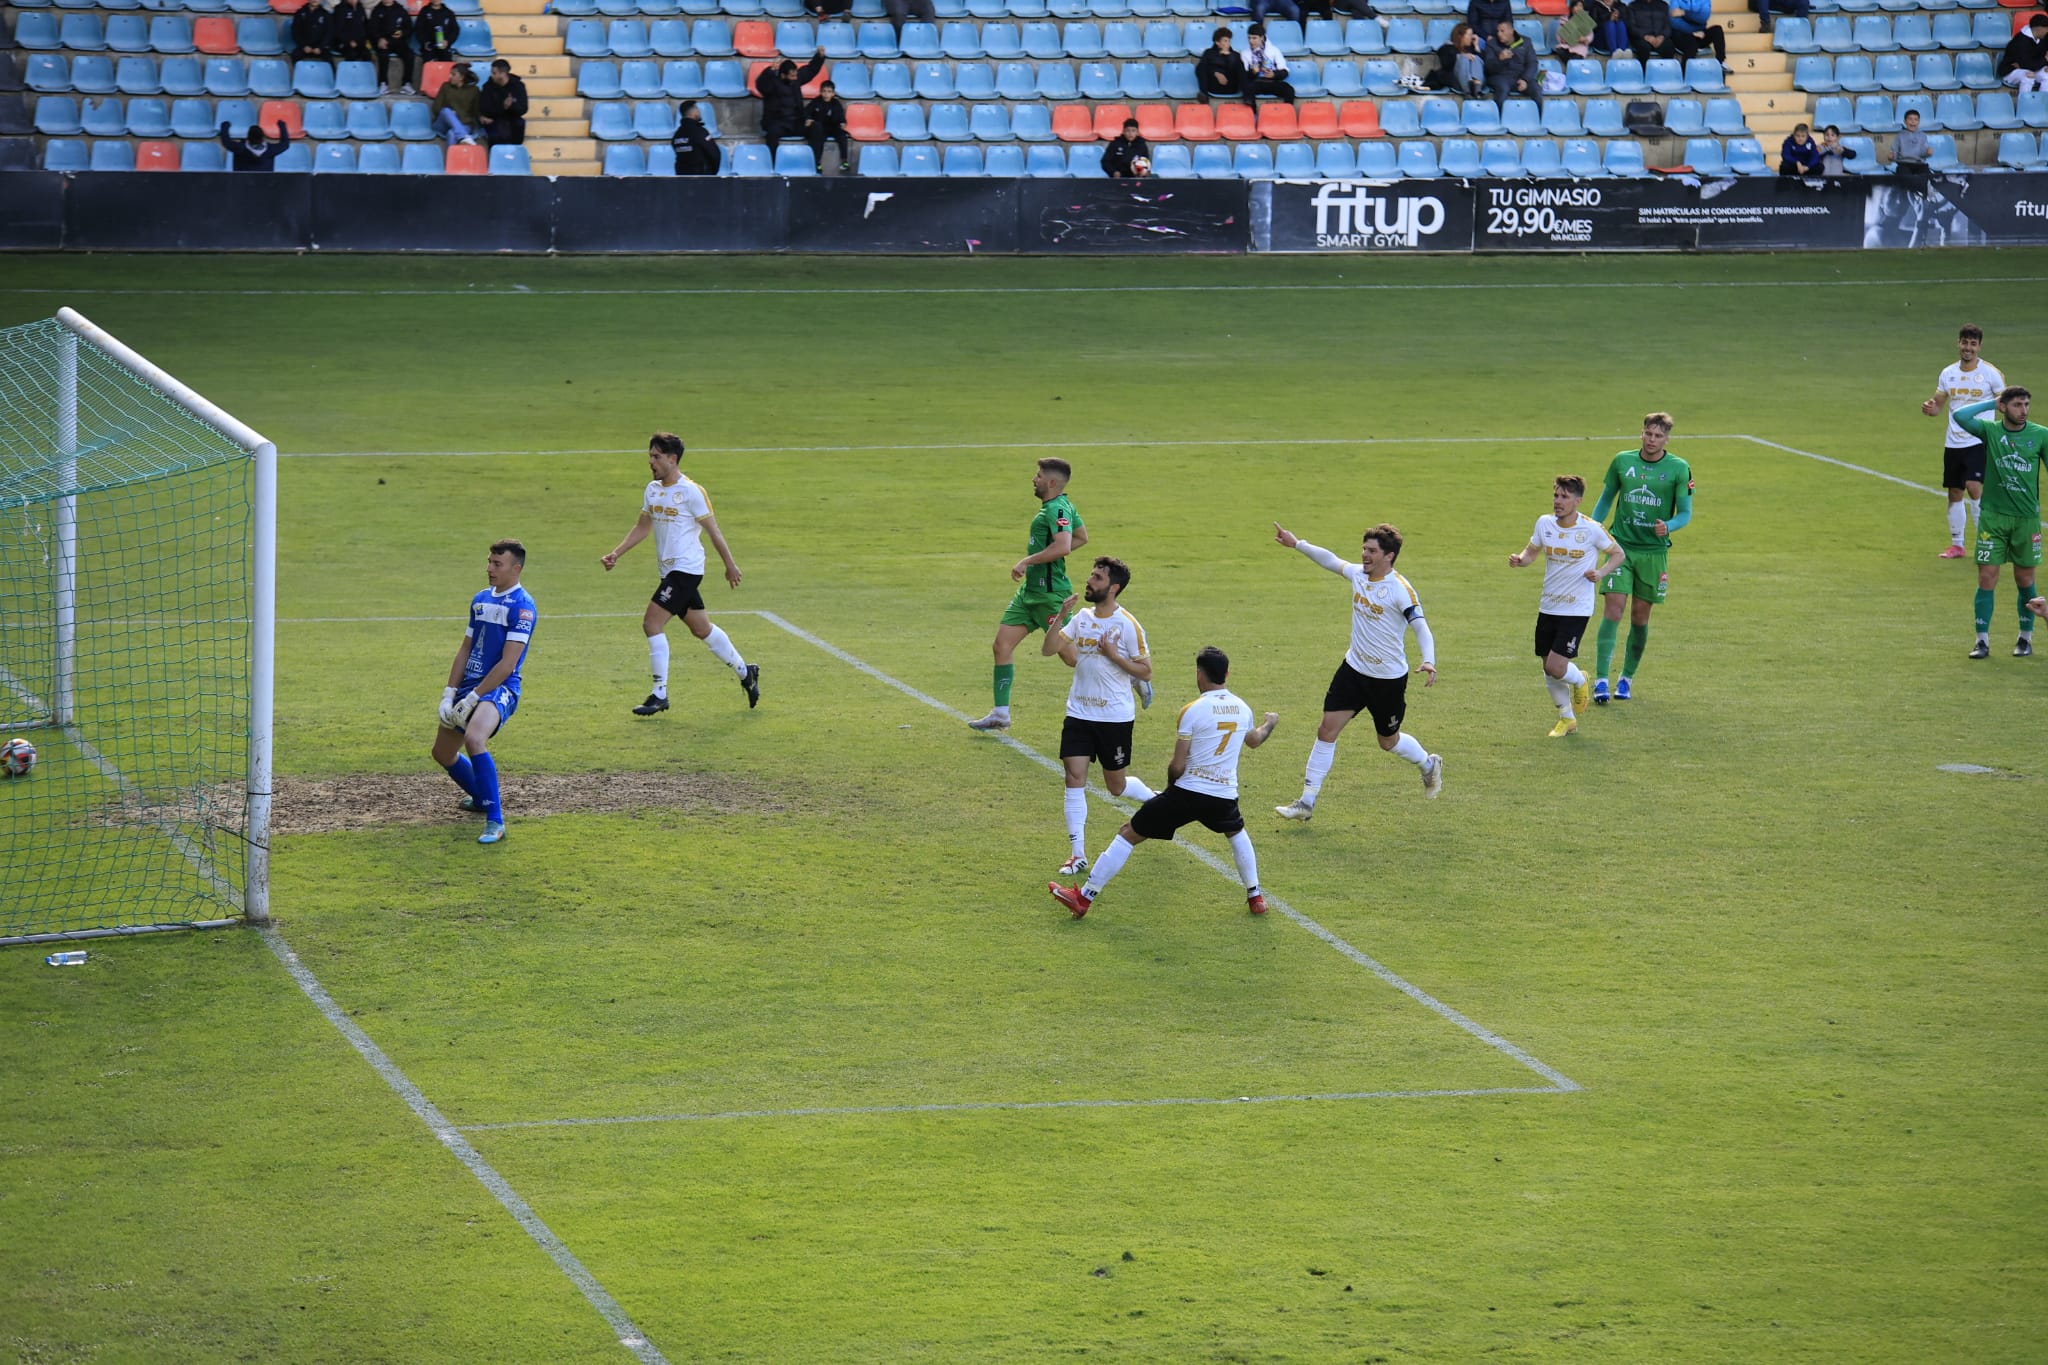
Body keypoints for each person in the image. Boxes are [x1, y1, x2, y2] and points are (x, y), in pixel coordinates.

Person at [1049, 647, 1278, 920]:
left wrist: (1169, 791)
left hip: (1187, 793)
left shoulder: (1193, 710)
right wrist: (1270, 723)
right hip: (1224, 796)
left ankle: (1083, 898)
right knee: (1236, 833)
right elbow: (1254, 740)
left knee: (1128, 833)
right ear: (1227, 674)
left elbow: (1177, 765)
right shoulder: (1242, 708)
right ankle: (1255, 896)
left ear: (1199, 674)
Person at [1270, 521, 1442, 820]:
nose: (1364, 555)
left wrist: (1429, 659)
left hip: (1387, 680)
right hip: (1353, 670)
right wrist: (1297, 544)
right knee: (1326, 730)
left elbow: (1421, 627)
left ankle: (1428, 764)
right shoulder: (1358, 575)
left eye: (1371, 551)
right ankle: (1306, 803)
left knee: (1388, 742)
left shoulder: (1400, 590)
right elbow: (1331, 560)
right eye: (1364, 549)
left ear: (1389, 556)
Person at [601, 432, 761, 713]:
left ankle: (659, 693)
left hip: (686, 569)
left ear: (672, 459)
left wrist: (730, 565)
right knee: (701, 629)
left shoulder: (691, 491)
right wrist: (617, 553)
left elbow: (713, 531)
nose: (651, 461)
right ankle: (746, 672)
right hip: (669, 571)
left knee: (652, 623)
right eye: (650, 456)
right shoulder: (652, 489)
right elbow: (643, 526)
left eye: (656, 456)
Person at [1040, 557, 1158, 878]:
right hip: (1078, 712)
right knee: (1073, 777)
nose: (1089, 581)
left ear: (1113, 587)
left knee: (1115, 787)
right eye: (1091, 575)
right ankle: (1077, 854)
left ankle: (1154, 800)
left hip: (1114, 718)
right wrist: (1060, 618)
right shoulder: (1081, 618)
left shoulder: (1128, 624)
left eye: (1097, 578)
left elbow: (1146, 671)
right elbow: (1048, 649)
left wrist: (1114, 655)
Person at [966, 458, 1092, 732]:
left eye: (1038, 476)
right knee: (1001, 646)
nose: (1034, 479)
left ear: (1052, 482)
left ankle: (1128, 674)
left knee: (1071, 657)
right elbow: (1081, 537)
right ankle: (1001, 713)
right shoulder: (1060, 506)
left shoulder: (1057, 508)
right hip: (1030, 593)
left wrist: (1028, 561)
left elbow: (1064, 546)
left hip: (1050, 596)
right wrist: (1046, 557)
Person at [431, 539, 536, 847]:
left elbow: (507, 664)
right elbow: (465, 649)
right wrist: (450, 693)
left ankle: (496, 821)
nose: (489, 568)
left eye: (497, 564)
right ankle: (481, 798)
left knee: (475, 738)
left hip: (500, 687)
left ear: (516, 569)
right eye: (489, 562)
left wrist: (475, 697)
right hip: (470, 686)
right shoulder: (480, 599)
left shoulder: (523, 607)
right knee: (442, 753)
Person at [1507, 477, 1627, 737]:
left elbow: (1618, 554)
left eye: (1564, 497)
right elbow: (1531, 551)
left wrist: (1601, 572)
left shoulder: (1591, 529)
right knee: (1547, 666)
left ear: (1578, 501)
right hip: (1549, 605)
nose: (1558, 501)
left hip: (1576, 609)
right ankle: (1566, 718)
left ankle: (1580, 679)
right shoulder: (1544, 523)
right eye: (1556, 495)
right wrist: (1520, 560)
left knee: (1556, 667)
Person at [1589, 412, 1693, 703]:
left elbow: (1685, 513)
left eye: (1658, 436)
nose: (1652, 440)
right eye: (1648, 434)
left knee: (1639, 617)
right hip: (1620, 548)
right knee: (1613, 610)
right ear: (1641, 433)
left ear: (1666, 439)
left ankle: (1626, 678)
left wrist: (1668, 526)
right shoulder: (1622, 461)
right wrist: (1593, 530)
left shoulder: (1679, 469)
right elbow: (1607, 498)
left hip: (1653, 554)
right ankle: (1600, 680)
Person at [1951, 389, 2047, 659]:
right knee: (1986, 577)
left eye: (2026, 404)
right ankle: (1981, 641)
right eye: (2017, 405)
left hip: (2026, 520)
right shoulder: (1991, 431)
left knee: (2024, 580)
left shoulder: (2041, 435)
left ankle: (2025, 638)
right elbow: (1960, 415)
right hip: (1992, 518)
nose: (2024, 410)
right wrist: (1992, 402)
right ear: (2003, 407)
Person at [1922, 324, 2004, 559]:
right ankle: (1957, 545)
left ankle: (1985, 541)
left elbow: (2004, 401)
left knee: (1974, 486)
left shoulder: (1991, 373)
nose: (1968, 348)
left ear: (1979, 346)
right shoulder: (1948, 373)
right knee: (1955, 491)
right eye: (1964, 342)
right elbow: (1938, 405)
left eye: (1973, 344)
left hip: (1979, 439)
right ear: (1958, 343)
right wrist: (1930, 407)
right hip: (1954, 441)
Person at [756, 50, 826, 156]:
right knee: (772, 132)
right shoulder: (772, 83)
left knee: (817, 127)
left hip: (796, 122)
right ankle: (774, 162)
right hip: (778, 122)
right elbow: (761, 85)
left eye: (796, 75)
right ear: (783, 75)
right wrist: (769, 71)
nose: (795, 78)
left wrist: (819, 57)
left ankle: (815, 161)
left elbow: (810, 70)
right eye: (792, 76)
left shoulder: (796, 79)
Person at [1483, 18, 1540, 107]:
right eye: (1498, 31)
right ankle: (1499, 114)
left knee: (1536, 89)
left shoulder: (1525, 42)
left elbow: (1532, 63)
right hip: (1500, 76)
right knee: (1503, 88)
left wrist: (1525, 79)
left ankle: (1540, 114)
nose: (1499, 34)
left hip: (1520, 76)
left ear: (1511, 31)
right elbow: (1488, 68)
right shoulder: (1492, 44)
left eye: (1502, 31)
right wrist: (1500, 59)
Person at [1240, 23, 1296, 104]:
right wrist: (1253, 72)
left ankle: (1287, 111)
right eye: (1249, 38)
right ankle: (1252, 111)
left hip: (1272, 82)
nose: (1251, 41)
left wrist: (1274, 74)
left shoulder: (1273, 50)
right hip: (1256, 82)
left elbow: (1285, 71)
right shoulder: (1245, 53)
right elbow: (1244, 76)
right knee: (1246, 88)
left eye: (1254, 38)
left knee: (1289, 90)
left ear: (1262, 37)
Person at [1425, 22, 1485, 95]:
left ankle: (1477, 89)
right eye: (1469, 35)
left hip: (1477, 83)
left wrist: (1476, 47)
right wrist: (1461, 56)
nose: (1472, 37)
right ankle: (1467, 91)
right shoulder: (1447, 48)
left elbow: (1484, 65)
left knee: (1476, 58)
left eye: (1472, 35)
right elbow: (1447, 64)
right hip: (1457, 82)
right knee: (1463, 59)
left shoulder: (1472, 49)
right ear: (1460, 36)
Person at [368, 0, 416, 94]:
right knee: (383, 55)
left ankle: (406, 84)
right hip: (383, 42)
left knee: (409, 55)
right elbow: (372, 29)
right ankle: (383, 83)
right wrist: (379, 39)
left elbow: (408, 28)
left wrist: (402, 33)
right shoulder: (377, 10)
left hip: (398, 42)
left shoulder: (401, 10)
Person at [803, 80, 849, 173]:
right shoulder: (816, 102)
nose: (826, 94)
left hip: (833, 127)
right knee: (817, 137)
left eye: (829, 91)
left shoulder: (836, 103)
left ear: (833, 93)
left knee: (842, 135)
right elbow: (806, 112)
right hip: (820, 128)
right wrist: (807, 119)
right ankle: (817, 162)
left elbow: (841, 117)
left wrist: (843, 123)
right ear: (820, 92)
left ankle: (844, 161)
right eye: (824, 91)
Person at [430, 61, 482, 146]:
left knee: (452, 134)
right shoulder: (445, 86)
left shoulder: (474, 90)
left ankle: (452, 154)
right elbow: (436, 108)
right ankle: (464, 136)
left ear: (461, 77)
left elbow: (476, 111)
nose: (450, 76)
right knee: (446, 111)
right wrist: (451, 114)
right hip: (443, 124)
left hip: (464, 123)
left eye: (453, 74)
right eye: (450, 74)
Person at [479, 59, 528, 146]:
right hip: (495, 120)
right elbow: (485, 108)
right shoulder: (488, 87)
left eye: (494, 73)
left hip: (513, 120)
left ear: (503, 73)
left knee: (519, 123)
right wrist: (503, 107)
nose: (492, 76)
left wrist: (511, 106)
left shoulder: (518, 86)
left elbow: (523, 109)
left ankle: (513, 149)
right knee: (497, 127)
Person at [1665, 0, 1726, 65]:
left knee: (1717, 30)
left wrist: (1684, 13)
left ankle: (1720, 63)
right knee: (1691, 43)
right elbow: (1674, 22)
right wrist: (1693, 32)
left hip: (1700, 34)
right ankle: (1685, 69)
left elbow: (1703, 18)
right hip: (1681, 35)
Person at [1195, 28, 1247, 103]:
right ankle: (1204, 95)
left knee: (1239, 65)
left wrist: (1228, 56)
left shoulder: (1235, 55)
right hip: (1214, 85)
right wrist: (1215, 73)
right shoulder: (1209, 53)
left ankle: (1247, 96)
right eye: (1225, 41)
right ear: (1217, 42)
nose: (1228, 43)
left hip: (1231, 85)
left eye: (1229, 41)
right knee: (1202, 67)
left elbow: (1237, 72)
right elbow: (1199, 70)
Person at [1999, 15, 2048, 93]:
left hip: (2032, 67)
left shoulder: (2042, 38)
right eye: (2046, 29)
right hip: (2012, 70)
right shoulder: (2020, 41)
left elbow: (2030, 64)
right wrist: (2044, 60)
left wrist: (2045, 64)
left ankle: (2043, 100)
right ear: (2039, 28)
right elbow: (2026, 64)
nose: (2047, 31)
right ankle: (2024, 100)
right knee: (2028, 77)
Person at [216, 120, 291, 170]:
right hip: (265, 184)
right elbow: (285, 144)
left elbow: (226, 142)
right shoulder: (271, 150)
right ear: (262, 137)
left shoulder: (240, 148)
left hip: (241, 183)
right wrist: (282, 126)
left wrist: (225, 127)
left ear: (248, 136)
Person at [672, 100, 721, 174]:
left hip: (682, 177)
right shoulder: (699, 132)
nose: (699, 112)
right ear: (693, 112)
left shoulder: (677, 134)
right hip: (701, 177)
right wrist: (711, 173)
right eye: (697, 109)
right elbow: (715, 154)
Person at [1625, 0, 1678, 66]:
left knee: (1669, 47)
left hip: (1660, 37)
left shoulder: (1663, 5)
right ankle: (1643, 71)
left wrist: (1662, 36)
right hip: (1641, 37)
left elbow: (1667, 25)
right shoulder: (1633, 6)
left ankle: (1665, 71)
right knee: (1643, 48)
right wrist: (1645, 36)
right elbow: (1631, 27)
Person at [289, 0, 334, 69]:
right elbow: (295, 31)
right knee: (295, 55)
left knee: (329, 59)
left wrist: (320, 47)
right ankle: (298, 74)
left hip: (320, 47)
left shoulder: (326, 14)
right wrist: (303, 46)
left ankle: (331, 75)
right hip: (304, 46)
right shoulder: (300, 12)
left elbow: (329, 33)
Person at [416, 0, 462, 65]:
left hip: (443, 46)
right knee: (429, 64)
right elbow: (418, 29)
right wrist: (424, 42)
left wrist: (447, 41)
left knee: (447, 62)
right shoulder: (424, 11)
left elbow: (455, 30)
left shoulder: (448, 13)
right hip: (429, 46)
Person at [329, 0, 371, 65]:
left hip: (359, 42)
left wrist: (361, 41)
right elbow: (337, 31)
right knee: (352, 54)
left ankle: (363, 72)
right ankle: (348, 71)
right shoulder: (340, 9)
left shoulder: (360, 7)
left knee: (367, 54)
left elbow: (365, 26)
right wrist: (348, 41)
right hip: (343, 42)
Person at [1891, 108, 1930, 174]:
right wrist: (1892, 156)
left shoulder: (1923, 135)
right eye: (1910, 119)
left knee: (1925, 173)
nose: (1913, 121)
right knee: (1903, 173)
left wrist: (1927, 153)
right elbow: (1895, 151)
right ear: (1905, 122)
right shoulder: (1900, 135)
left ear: (1919, 122)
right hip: (1904, 164)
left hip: (1919, 164)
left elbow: (1923, 153)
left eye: (1916, 119)